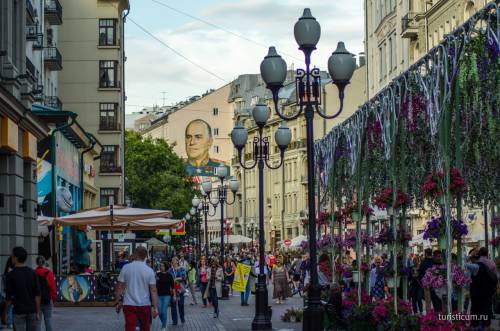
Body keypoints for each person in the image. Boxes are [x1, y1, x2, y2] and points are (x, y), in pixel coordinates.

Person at [115, 246, 158, 331]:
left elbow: (120, 287)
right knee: (145, 327)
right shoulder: (149, 271)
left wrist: (118, 301)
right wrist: (155, 307)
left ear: (135, 255)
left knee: (130, 327)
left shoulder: (126, 268)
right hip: (145, 304)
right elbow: (153, 290)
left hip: (129, 304)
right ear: (145, 256)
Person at [5, 247, 41, 331]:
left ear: (16, 258)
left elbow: (8, 297)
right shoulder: (33, 273)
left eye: (12, 256)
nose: (11, 257)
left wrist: (6, 313)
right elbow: (37, 294)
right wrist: (38, 311)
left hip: (18, 311)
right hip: (32, 310)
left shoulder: (11, 275)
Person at [466, 247, 497, 328]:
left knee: (476, 314)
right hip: (487, 294)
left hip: (478, 295)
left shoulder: (476, 267)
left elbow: (463, 264)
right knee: (485, 313)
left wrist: (469, 256)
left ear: (473, 258)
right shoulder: (489, 264)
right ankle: (486, 327)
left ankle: (476, 327)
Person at [34, 256, 56, 331]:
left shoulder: (34, 273)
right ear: (44, 262)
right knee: (48, 321)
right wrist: (53, 299)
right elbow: (53, 288)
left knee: (37, 322)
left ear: (36, 263)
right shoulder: (49, 273)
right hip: (47, 300)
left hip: (37, 301)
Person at [156, 261, 175, 331]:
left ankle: (164, 326)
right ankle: (164, 323)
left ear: (166, 267)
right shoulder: (157, 274)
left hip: (167, 295)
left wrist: (174, 296)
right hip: (158, 295)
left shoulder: (169, 275)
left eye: (163, 266)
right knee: (160, 312)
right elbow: (154, 285)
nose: (161, 267)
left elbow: (173, 287)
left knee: (164, 311)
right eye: (160, 266)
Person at [169, 257, 187, 325]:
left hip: (180, 289)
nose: (173, 262)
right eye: (172, 261)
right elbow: (168, 278)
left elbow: (183, 277)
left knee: (181, 304)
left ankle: (182, 318)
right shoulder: (170, 270)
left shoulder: (182, 268)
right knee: (173, 306)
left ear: (177, 261)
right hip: (172, 290)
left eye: (174, 261)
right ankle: (174, 321)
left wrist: (175, 279)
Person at [2, 257, 14, 329]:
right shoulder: (12, 271)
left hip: (8, 293)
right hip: (13, 292)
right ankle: (10, 322)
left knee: (9, 308)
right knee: (11, 308)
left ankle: (9, 323)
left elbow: (4, 285)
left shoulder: (5, 273)